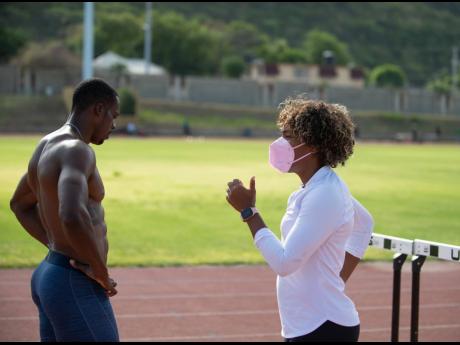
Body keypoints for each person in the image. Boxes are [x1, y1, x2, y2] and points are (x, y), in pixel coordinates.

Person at [226, 97, 374, 342]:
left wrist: (249, 213)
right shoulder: (316, 188)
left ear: (313, 144)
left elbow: (285, 263)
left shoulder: (325, 193)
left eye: (289, 137)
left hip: (324, 328)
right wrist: (334, 282)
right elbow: (364, 223)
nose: (279, 143)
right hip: (307, 325)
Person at [10, 78, 121, 342]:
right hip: (73, 282)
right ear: (98, 109)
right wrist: (101, 273)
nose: (114, 125)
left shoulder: (46, 145)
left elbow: (19, 204)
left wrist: (55, 242)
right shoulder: (77, 150)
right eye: (112, 116)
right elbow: (72, 215)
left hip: (52, 272)